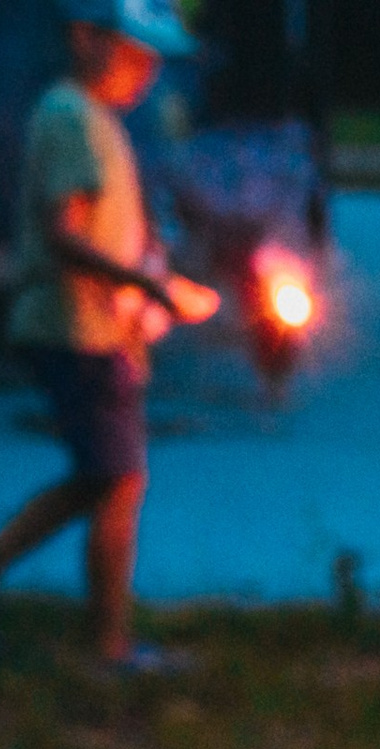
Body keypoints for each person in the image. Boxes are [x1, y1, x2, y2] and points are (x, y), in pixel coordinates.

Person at [0, 0, 218, 670]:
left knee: (110, 479)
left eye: (154, 58)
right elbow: (64, 233)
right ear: (83, 37)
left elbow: (103, 228)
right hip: (74, 331)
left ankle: (109, 638)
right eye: (133, 52)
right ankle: (110, 645)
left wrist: (157, 280)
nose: (146, 71)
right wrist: (147, 286)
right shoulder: (69, 118)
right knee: (112, 477)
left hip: (99, 331)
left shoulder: (93, 120)